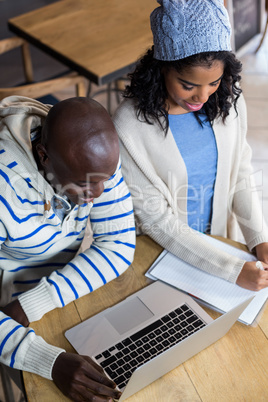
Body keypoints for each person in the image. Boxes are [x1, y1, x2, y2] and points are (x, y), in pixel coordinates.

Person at [113, 0, 268, 291]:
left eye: (214, 82)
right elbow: (156, 219)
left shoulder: (229, 101)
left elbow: (240, 174)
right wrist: (232, 270)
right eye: (188, 85)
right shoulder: (129, 127)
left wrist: (259, 238)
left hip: (220, 245)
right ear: (161, 69)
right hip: (163, 258)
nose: (203, 97)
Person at [0, 95, 135, 401]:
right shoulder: (4, 191)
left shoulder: (93, 161)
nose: (98, 193)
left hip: (45, 297)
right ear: (44, 155)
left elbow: (118, 244)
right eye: (85, 184)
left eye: (107, 179)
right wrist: (49, 362)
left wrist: (31, 304)